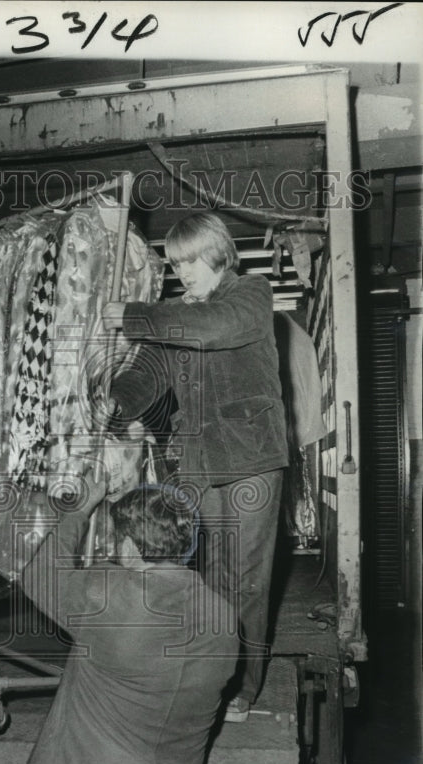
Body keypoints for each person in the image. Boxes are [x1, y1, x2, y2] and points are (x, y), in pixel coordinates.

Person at [19, 471, 239, 764]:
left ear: (131, 549)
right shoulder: (225, 618)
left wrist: (81, 507)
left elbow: (37, 576)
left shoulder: (111, 597)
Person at [102, 211, 288, 722]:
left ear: (218, 251)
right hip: (200, 463)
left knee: (247, 578)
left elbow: (214, 329)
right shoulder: (173, 313)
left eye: (191, 260)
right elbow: (147, 373)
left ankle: (242, 688)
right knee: (208, 575)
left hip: (252, 457)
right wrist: (114, 403)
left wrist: (136, 315)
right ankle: (211, 670)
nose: (183, 272)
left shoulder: (250, 294)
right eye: (175, 263)